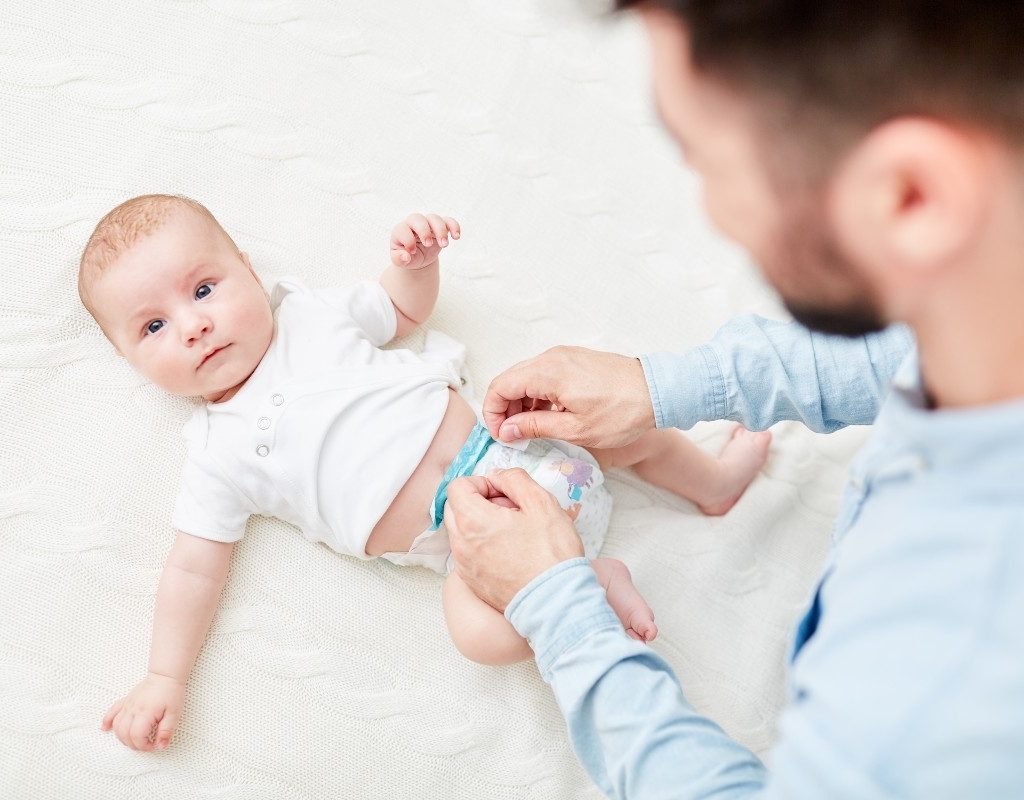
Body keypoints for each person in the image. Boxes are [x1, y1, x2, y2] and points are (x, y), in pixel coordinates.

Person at [444, 1, 1024, 797]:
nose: (713, 211)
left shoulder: (930, 698)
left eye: (706, 160)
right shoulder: (991, 283)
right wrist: (662, 386)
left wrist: (559, 612)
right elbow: (909, 347)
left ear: (911, 197)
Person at [82, 194, 771, 752]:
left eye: (203, 289)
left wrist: (416, 261)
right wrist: (165, 675)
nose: (193, 326)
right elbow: (194, 569)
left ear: (248, 268)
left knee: (616, 422)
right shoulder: (215, 454)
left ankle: (714, 483)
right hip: (468, 555)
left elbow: (404, 309)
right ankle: (589, 584)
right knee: (476, 635)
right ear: (130, 362)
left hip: (518, 449)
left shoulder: (311, 317)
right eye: (152, 328)